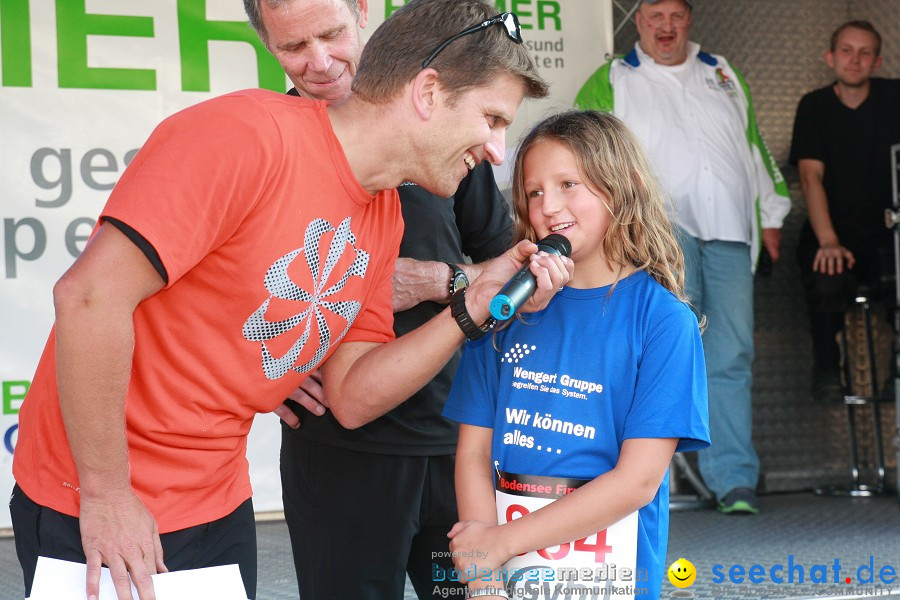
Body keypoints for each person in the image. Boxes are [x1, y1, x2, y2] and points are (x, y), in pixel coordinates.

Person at [9, 2, 567, 599]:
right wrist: (106, 493)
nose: (497, 150)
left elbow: (351, 398)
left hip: (217, 497)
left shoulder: (380, 214)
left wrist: (468, 309)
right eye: (491, 119)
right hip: (99, 497)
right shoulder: (244, 135)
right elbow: (88, 296)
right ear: (428, 92)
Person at [243, 0, 515, 597]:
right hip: (339, 449)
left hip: (454, 438)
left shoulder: (443, 123)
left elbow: (506, 265)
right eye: (293, 47)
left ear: (362, 12)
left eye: (333, 33)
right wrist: (264, 366)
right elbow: (225, 288)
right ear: (266, 43)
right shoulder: (266, 141)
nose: (319, 61)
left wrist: (439, 281)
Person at [442, 110, 710, 600]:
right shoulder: (509, 307)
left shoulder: (664, 321)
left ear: (623, 186)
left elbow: (636, 482)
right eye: (535, 191)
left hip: (607, 580)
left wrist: (500, 542)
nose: (548, 206)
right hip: (503, 576)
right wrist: (483, 576)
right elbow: (474, 452)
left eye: (569, 184)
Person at [574, 0, 790, 515]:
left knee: (732, 353)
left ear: (689, 19)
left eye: (675, 16)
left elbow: (752, 145)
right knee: (662, 352)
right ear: (639, 21)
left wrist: (773, 213)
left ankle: (733, 478)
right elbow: (585, 158)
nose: (666, 26)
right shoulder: (613, 77)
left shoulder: (721, 71)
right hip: (660, 231)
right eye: (655, 16)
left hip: (731, 228)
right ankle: (648, 483)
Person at [789, 21, 900, 401]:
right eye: (847, 51)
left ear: (878, 60)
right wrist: (829, 241)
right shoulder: (815, 106)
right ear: (830, 58)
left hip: (889, 233)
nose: (855, 60)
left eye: (865, 52)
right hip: (833, 232)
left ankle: (896, 375)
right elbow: (809, 178)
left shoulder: (894, 97)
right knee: (825, 276)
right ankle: (826, 368)